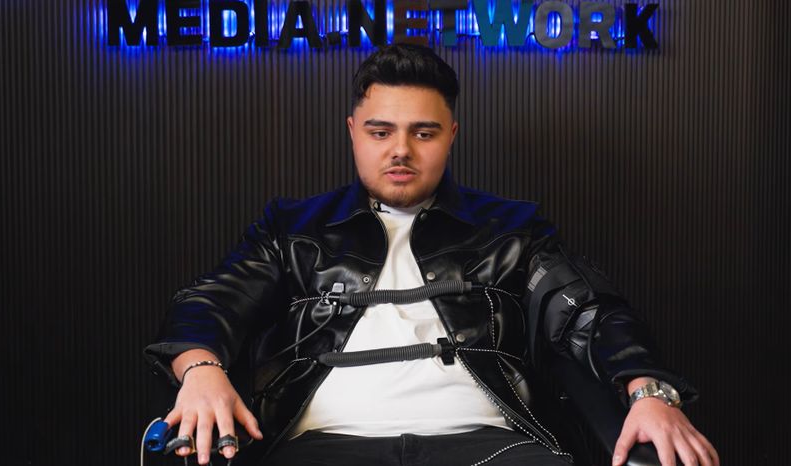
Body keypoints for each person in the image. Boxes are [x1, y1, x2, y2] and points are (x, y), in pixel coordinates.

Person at [145, 44, 719, 466]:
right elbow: (208, 303)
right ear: (352, 131)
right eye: (380, 132)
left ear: (451, 135)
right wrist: (201, 370)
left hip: (488, 446)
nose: (400, 150)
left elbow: (590, 312)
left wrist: (650, 392)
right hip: (322, 445)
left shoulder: (511, 229)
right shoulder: (292, 229)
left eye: (423, 133)